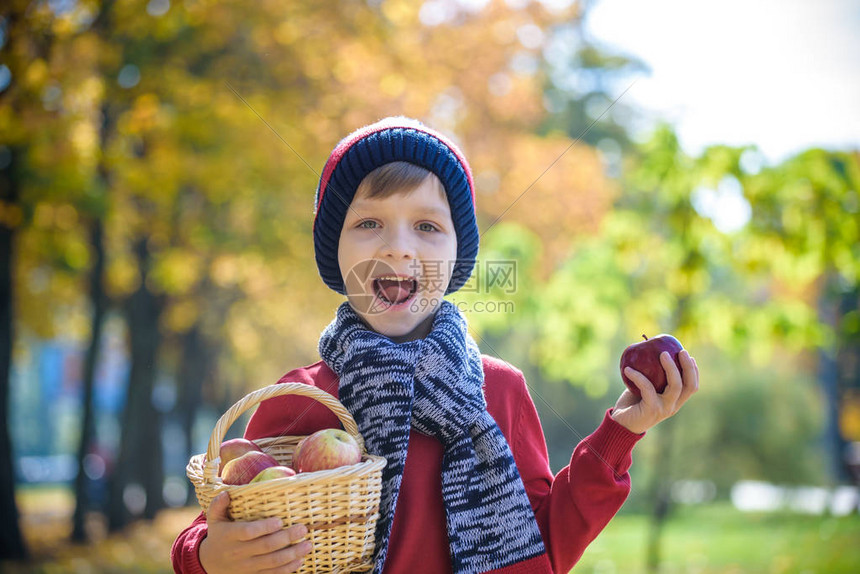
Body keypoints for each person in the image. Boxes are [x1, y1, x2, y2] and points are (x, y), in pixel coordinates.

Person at [171, 116, 699, 574]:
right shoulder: (302, 397)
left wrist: (619, 435)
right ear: (335, 251)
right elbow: (213, 528)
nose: (398, 246)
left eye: (427, 226)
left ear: (455, 258)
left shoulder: (499, 391)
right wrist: (211, 558)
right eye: (369, 222)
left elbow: (543, 548)